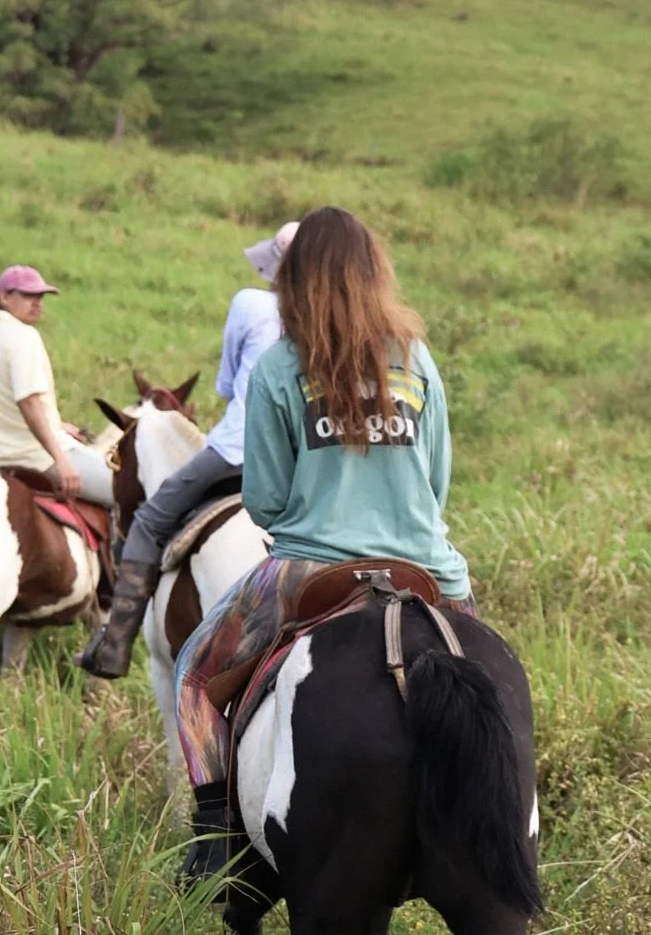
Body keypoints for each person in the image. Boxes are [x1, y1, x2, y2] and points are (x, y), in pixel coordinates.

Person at [171, 206, 472, 885]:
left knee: (192, 675)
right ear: (374, 272)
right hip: (426, 566)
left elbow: (264, 500)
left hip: (309, 569)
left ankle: (214, 837)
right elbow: (437, 483)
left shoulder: (280, 367)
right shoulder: (415, 357)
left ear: (295, 278)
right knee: (490, 681)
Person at [76, 222, 297, 679]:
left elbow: (225, 385)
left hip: (236, 452)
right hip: (301, 460)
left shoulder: (251, 303)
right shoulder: (331, 319)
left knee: (149, 521)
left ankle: (114, 645)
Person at [0, 265, 111, 507]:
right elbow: (28, 402)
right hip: (34, 458)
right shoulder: (24, 336)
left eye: (40, 297)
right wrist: (61, 460)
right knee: (128, 493)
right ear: (4, 297)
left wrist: (56, 426)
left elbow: (0, 399)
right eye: (28, 296)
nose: (37, 303)